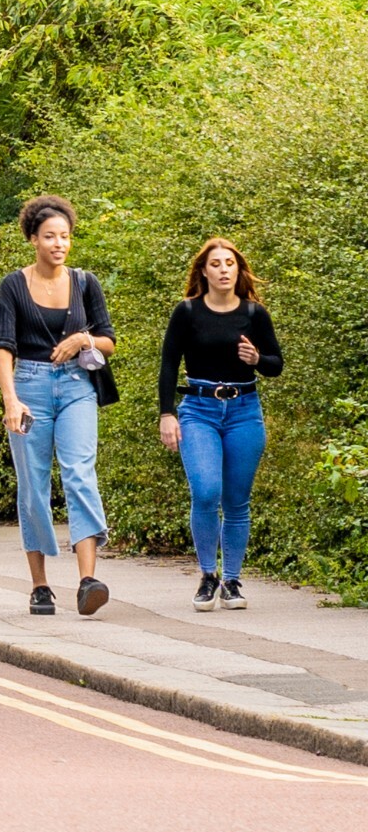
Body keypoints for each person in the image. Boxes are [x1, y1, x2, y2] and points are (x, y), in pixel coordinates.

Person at [0, 195, 117, 618]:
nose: (59, 244)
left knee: (80, 472)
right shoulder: (13, 285)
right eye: (50, 237)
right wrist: (11, 399)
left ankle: (87, 581)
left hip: (78, 386)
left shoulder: (85, 282)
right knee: (34, 486)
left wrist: (85, 339)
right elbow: (2, 347)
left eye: (65, 237)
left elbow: (108, 341)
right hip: (29, 386)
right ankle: (41, 586)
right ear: (33, 239)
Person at [160, 237, 284, 612]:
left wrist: (257, 357)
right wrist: (167, 414)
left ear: (238, 269)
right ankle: (207, 575)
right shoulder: (187, 312)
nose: (223, 269)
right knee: (206, 491)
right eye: (215, 264)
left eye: (229, 263)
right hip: (198, 410)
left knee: (236, 501)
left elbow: (276, 365)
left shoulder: (254, 313)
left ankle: (231, 580)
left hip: (245, 409)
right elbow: (168, 365)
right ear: (203, 271)